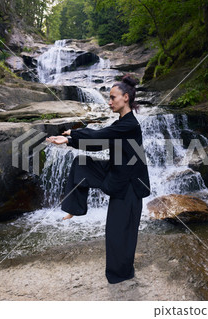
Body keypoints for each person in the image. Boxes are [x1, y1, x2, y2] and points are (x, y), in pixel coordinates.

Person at [45, 74, 151, 284]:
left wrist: (71, 136)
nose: (109, 102)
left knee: (118, 232)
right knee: (81, 164)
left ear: (126, 98)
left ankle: (122, 275)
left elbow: (101, 135)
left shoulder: (130, 124)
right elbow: (99, 144)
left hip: (129, 184)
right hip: (116, 174)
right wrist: (69, 141)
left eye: (113, 98)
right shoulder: (121, 122)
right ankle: (74, 208)